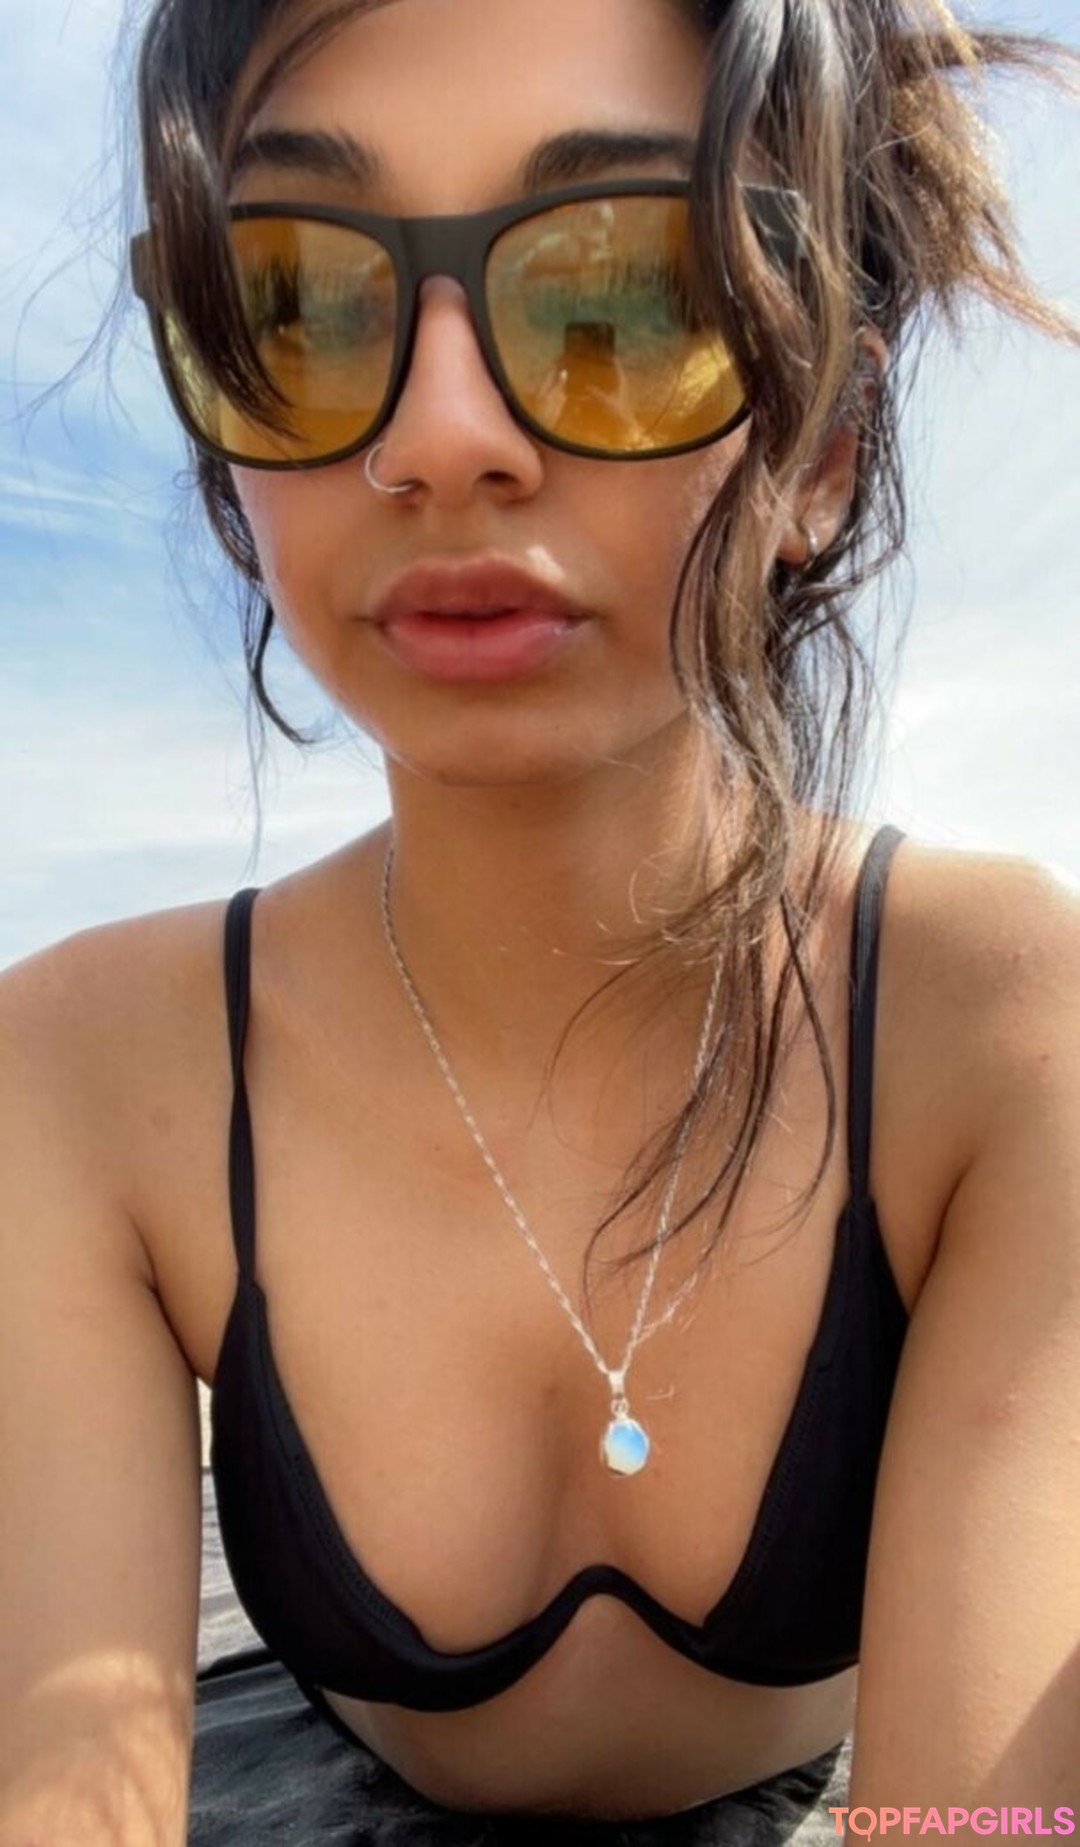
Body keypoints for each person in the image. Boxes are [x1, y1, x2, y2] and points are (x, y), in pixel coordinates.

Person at [2, 0, 1078, 1841]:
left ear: (825, 447)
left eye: (626, 298)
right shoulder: (90, 1071)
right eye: (299, 305)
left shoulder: (999, 1025)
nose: (442, 439)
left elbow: (976, 1830)